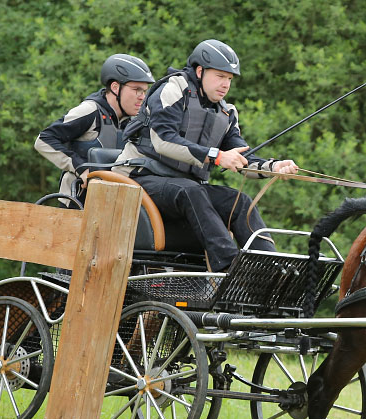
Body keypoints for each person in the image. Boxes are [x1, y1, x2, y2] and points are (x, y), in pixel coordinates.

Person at [113, 39, 298, 271]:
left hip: (184, 188)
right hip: (140, 178)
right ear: (200, 71)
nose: (225, 84)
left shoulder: (226, 112)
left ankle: (269, 269)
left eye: (229, 79)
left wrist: (272, 167)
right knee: (192, 191)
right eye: (220, 76)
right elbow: (163, 141)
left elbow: (240, 155)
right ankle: (230, 270)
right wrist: (217, 156)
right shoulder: (173, 89)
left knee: (239, 201)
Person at [35, 54, 155, 201]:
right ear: (115, 88)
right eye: (137, 89)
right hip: (77, 202)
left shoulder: (134, 121)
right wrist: (80, 167)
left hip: (111, 203)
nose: (142, 96)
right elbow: (43, 140)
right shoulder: (89, 111)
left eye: (144, 91)